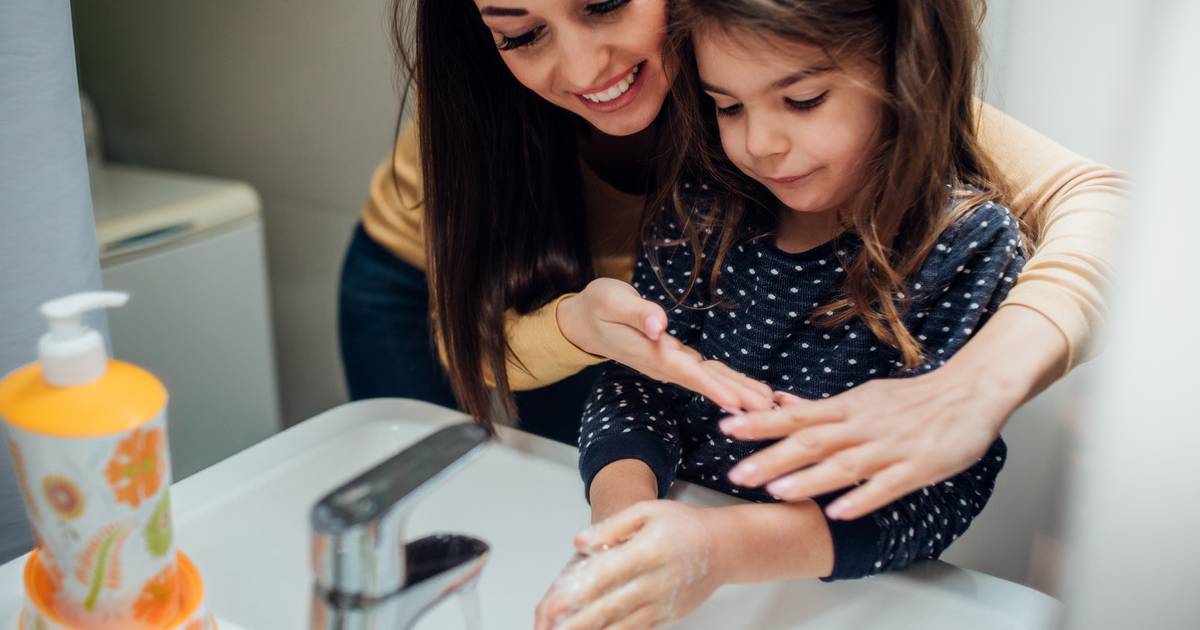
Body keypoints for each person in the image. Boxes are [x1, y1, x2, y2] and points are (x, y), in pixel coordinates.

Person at [339, 0, 1121, 510]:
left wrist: (975, 387)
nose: (582, 70)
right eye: (521, 34)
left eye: (605, 2)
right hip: (446, 294)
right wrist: (575, 327)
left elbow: (1107, 208)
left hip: (627, 329)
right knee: (451, 514)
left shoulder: (768, 52)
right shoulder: (479, 110)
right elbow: (469, 350)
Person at [536, 1, 1035, 627]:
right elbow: (637, 386)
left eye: (803, 101)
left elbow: (933, 494)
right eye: (728, 106)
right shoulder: (704, 199)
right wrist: (623, 526)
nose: (759, 144)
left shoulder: (965, 244)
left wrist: (717, 549)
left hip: (839, 596)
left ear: (905, 75)